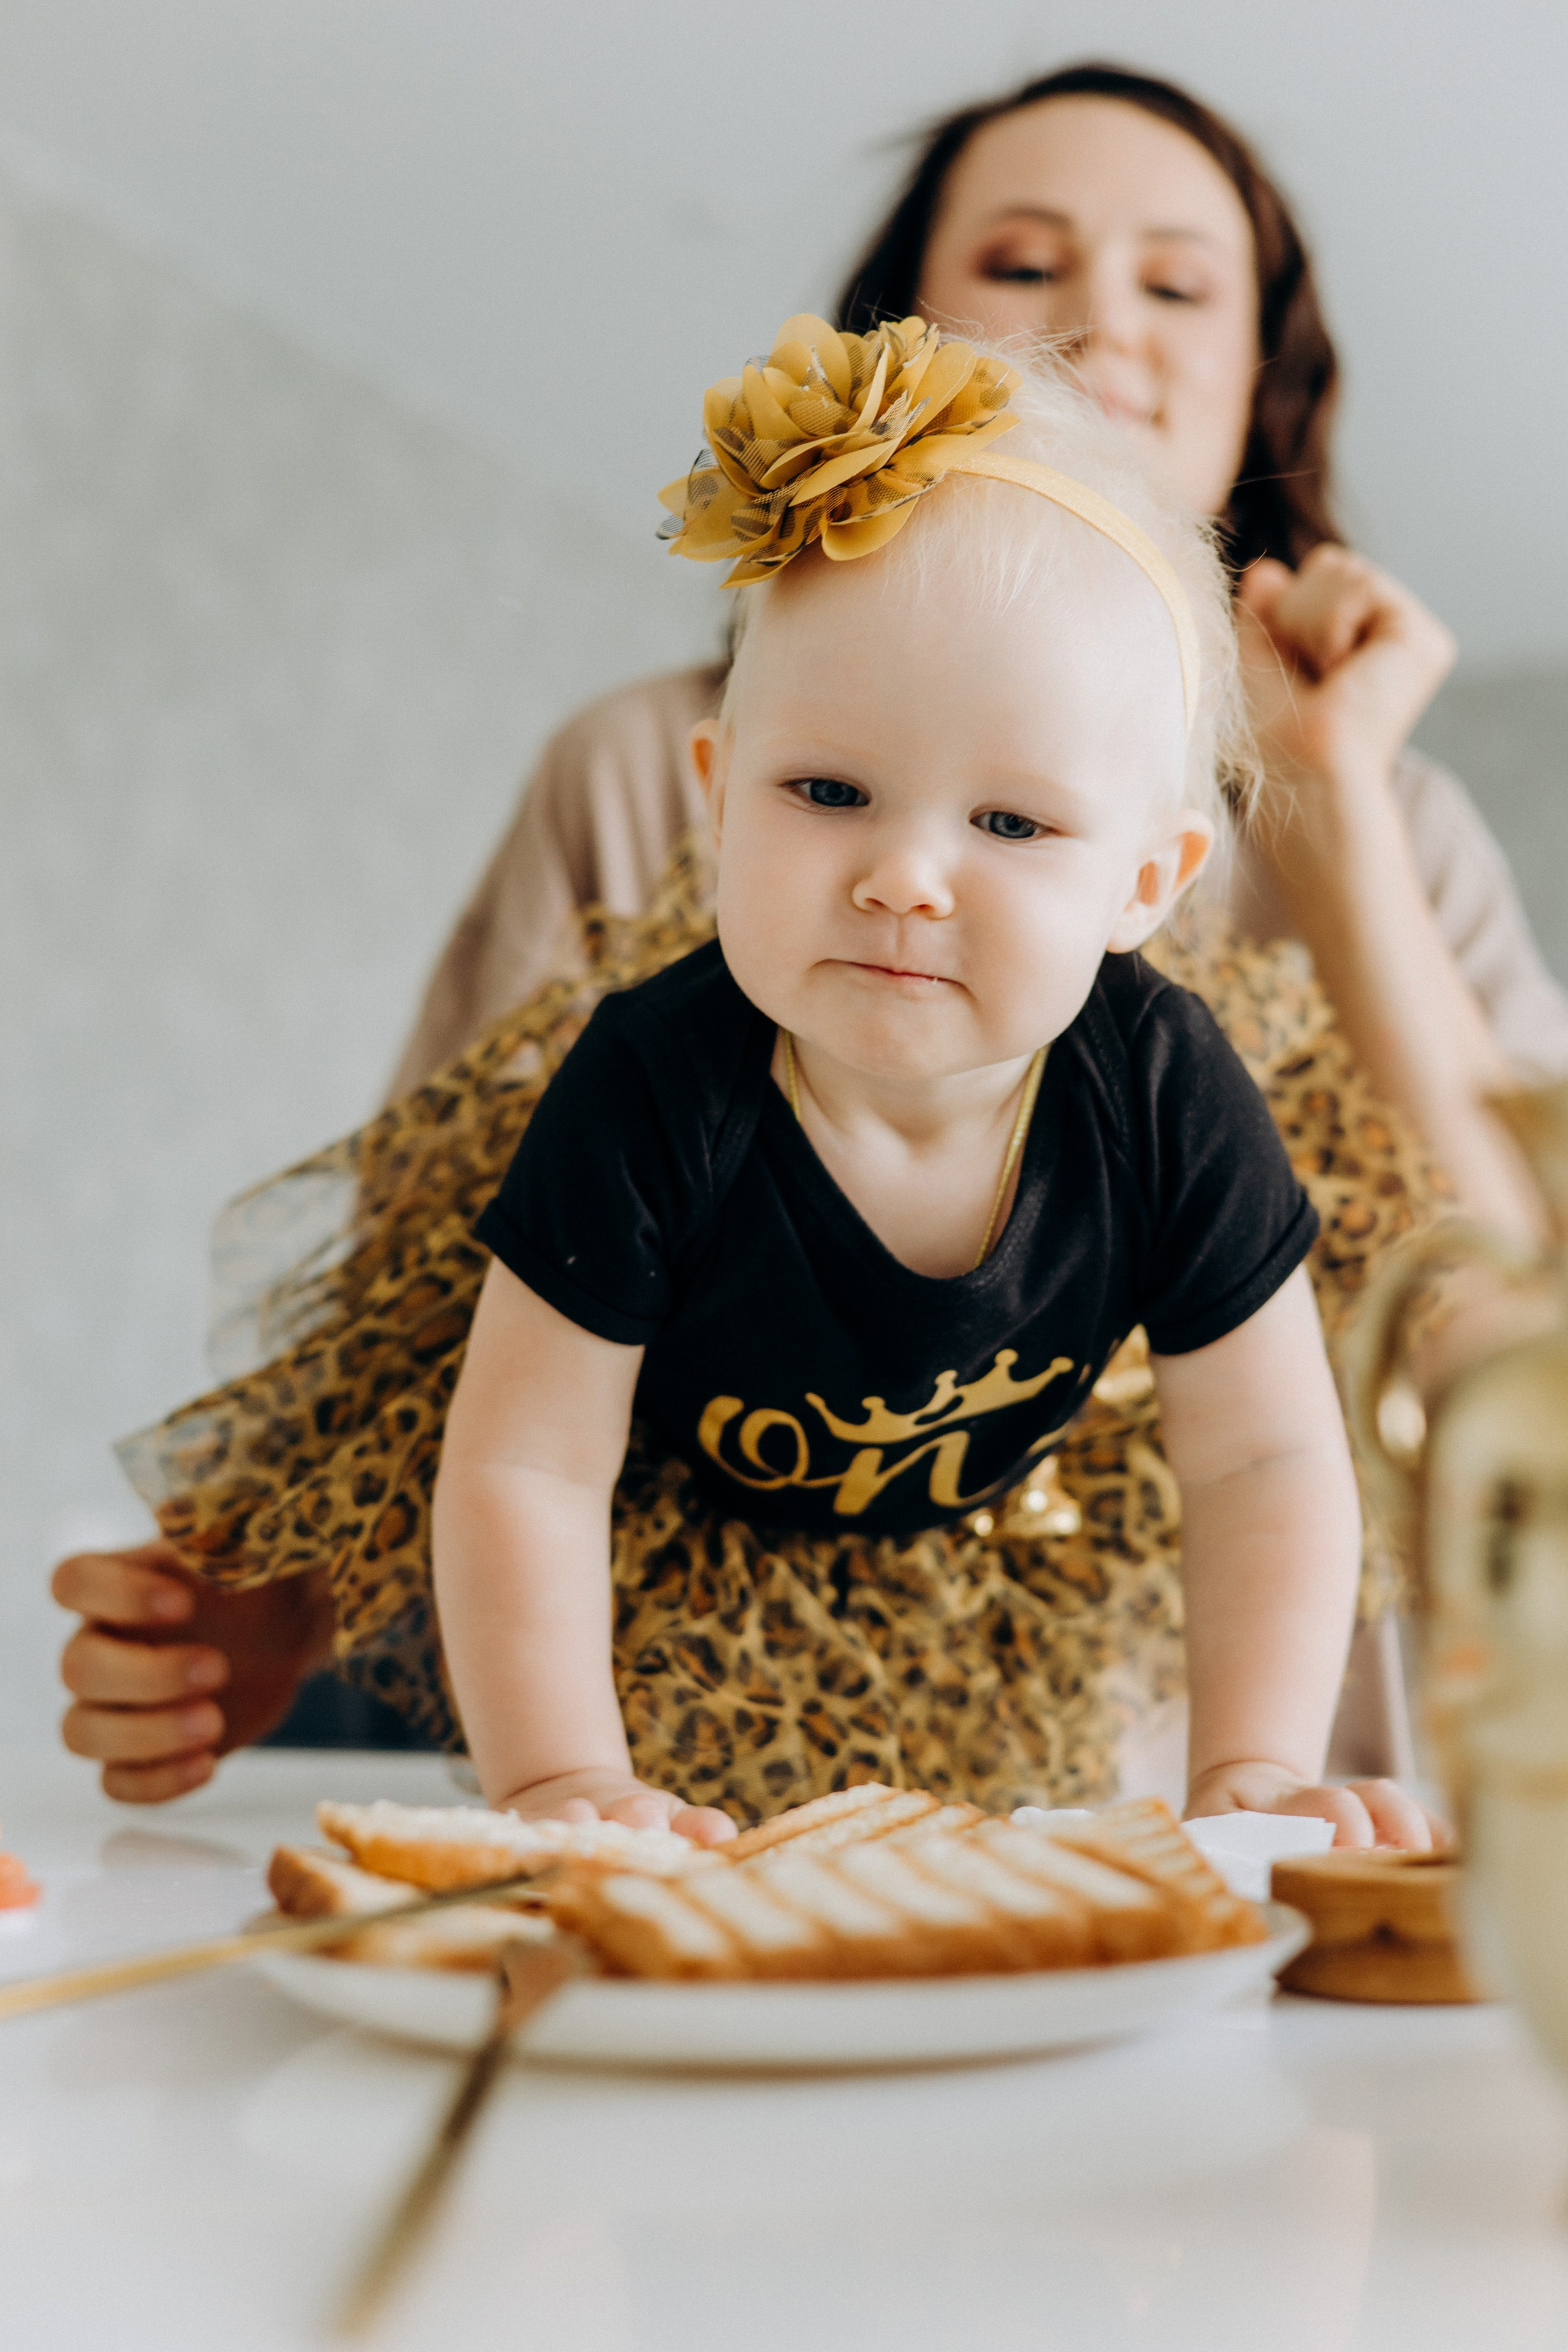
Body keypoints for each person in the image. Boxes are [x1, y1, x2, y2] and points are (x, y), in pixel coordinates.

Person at [53, 61, 1568, 1804]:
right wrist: (279, 1603)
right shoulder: (647, 872)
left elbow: (1482, 1338)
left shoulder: (1328, 881)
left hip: (1166, 1759)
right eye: (1021, 264)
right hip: (693, 1740)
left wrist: (1342, 803)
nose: (1093, 322)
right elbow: (443, 1332)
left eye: (1174, 283)